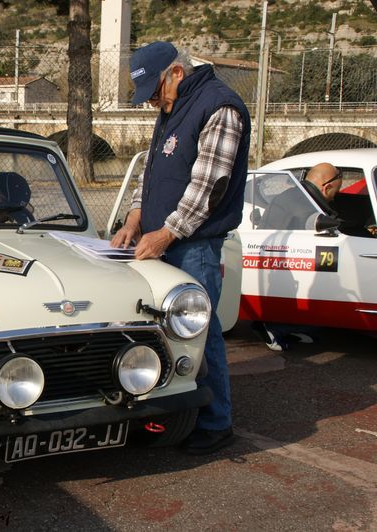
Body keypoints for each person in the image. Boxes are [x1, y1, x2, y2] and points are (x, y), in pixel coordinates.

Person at [110, 41, 251, 455]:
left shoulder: (219, 106)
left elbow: (209, 187)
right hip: (161, 240)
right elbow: (151, 172)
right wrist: (135, 219)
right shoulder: (173, 107)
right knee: (155, 330)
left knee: (197, 334)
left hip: (194, 246)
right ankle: (168, 409)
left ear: (176, 72)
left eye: (155, 91)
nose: (154, 101)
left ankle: (215, 423)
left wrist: (166, 233)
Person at [253, 163, 343, 351]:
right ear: (326, 187)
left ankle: (287, 328)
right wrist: (337, 224)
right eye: (336, 190)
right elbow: (311, 219)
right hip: (281, 264)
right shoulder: (301, 201)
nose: (336, 196)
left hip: (277, 260)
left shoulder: (299, 194)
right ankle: (273, 328)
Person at [260, 163, 342, 230]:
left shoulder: (288, 195)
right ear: (326, 188)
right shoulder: (309, 209)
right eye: (336, 192)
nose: (333, 198)